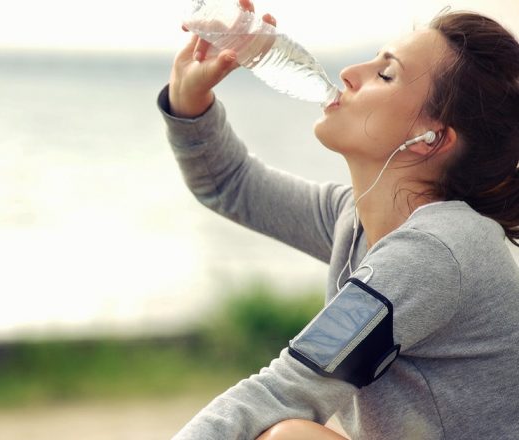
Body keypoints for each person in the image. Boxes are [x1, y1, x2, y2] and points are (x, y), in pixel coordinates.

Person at [158, 0, 519, 438]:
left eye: (386, 74)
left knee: (289, 435)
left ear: (431, 139)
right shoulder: (357, 219)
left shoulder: (435, 254)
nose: (349, 72)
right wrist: (189, 102)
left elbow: (286, 389)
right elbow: (231, 185)